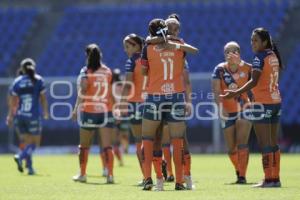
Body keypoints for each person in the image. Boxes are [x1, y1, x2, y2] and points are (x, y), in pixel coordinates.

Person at [221, 28, 282, 188]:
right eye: (251, 40)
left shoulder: (259, 56)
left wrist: (235, 92)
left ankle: (268, 179)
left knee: (265, 144)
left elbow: (254, 80)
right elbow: (260, 71)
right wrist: (240, 62)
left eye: (255, 40)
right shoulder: (273, 55)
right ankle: (275, 178)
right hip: (276, 101)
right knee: (274, 143)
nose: (252, 43)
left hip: (261, 103)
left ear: (264, 42)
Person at [141, 18, 195, 191]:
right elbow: (192, 52)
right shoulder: (179, 43)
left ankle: (155, 180)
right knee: (178, 140)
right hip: (176, 96)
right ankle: (180, 181)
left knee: (150, 139)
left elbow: (143, 71)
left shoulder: (147, 46)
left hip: (155, 96)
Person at [72, 44, 115, 184]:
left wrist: (75, 109)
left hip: (89, 111)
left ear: (87, 56)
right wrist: (115, 109)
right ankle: (110, 175)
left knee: (84, 145)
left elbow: (83, 91)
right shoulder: (108, 71)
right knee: (107, 146)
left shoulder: (85, 71)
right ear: (100, 55)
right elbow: (110, 92)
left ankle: (83, 174)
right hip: (106, 110)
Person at [212, 41, 252, 184]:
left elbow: (257, 84)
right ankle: (238, 170)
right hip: (227, 111)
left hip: (244, 109)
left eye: (233, 51)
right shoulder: (219, 69)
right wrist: (219, 107)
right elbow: (216, 91)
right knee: (231, 149)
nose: (229, 54)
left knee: (242, 143)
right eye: (227, 52)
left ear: (238, 53)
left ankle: (242, 176)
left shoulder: (248, 68)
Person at [6, 58, 49, 175]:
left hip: (20, 116)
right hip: (33, 116)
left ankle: (29, 168)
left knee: (25, 143)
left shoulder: (17, 81)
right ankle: (20, 157)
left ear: (22, 69)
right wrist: (45, 111)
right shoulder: (38, 80)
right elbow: (43, 98)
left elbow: (12, 101)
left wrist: (10, 116)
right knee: (35, 143)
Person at [120, 33, 147, 185]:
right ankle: (163, 173)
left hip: (136, 104)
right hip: (152, 102)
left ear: (137, 46)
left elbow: (128, 84)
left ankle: (146, 176)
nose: (125, 50)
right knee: (154, 141)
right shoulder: (150, 59)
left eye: (127, 46)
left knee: (139, 142)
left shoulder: (131, 61)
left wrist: (121, 102)